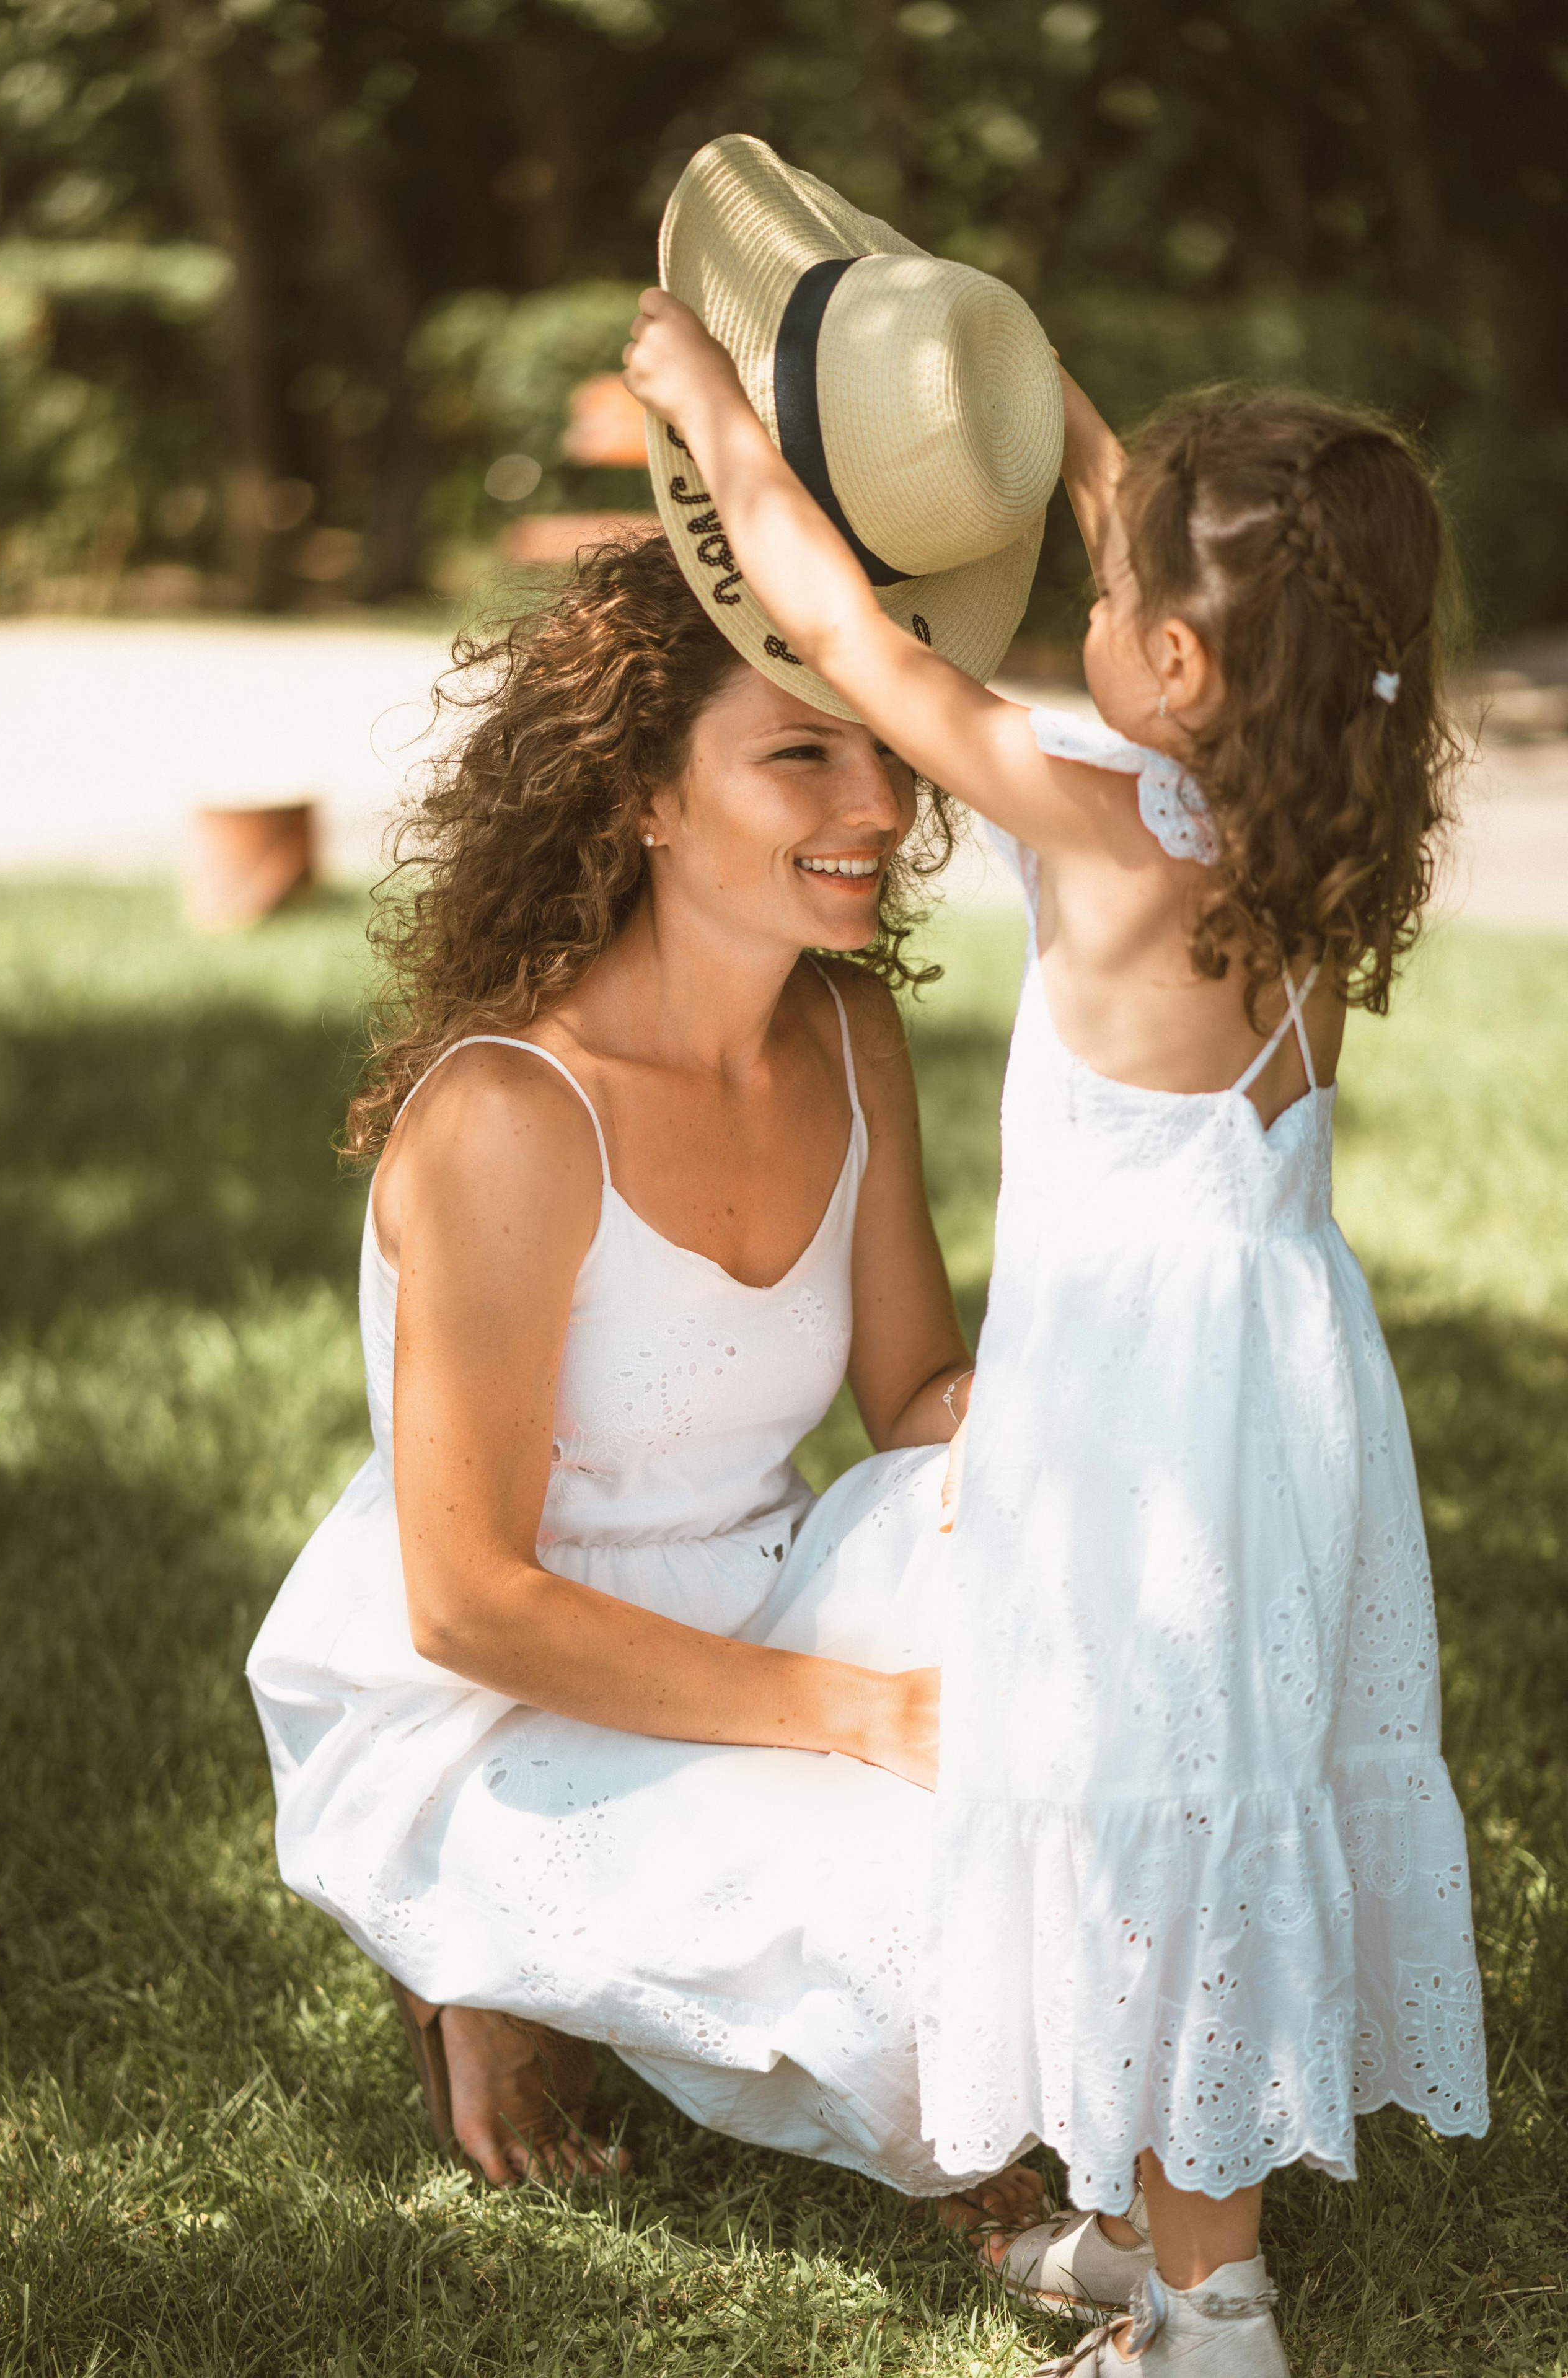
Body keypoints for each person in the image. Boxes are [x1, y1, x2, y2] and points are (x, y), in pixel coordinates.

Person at [623, 139, 1489, 2374]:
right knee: (1197, 1776)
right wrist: (1009, 385)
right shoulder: (1299, 825)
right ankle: (1139, 2216)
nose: (1076, 602)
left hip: (1138, 1439)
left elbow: (839, 634)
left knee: (1155, 1813)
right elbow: (1142, 515)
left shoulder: (1106, 835)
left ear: (1183, 661)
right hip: (1271, 1396)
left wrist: (707, 412)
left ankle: (1215, 2309)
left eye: (1118, 598)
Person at [245, 529, 1049, 2239]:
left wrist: (1114, 1449)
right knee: (936, 1940)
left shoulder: (849, 1035)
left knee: (1088, 1667)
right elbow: (466, 1605)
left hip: (765, 1605)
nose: (882, 807)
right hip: (497, 1705)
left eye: (885, 751)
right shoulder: (510, 1119)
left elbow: (917, 1402)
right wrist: (869, 1722)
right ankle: (471, 1960)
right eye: (802, 753)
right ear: (647, 803)